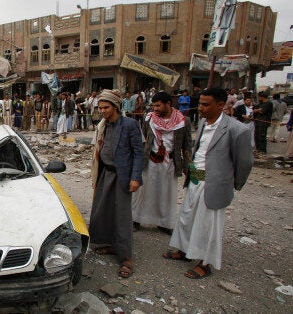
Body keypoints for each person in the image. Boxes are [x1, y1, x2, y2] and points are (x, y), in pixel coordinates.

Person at [165, 87, 253, 279]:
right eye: (200, 103)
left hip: (214, 184)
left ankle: (205, 263)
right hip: (195, 180)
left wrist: (232, 183)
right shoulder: (205, 123)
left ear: (221, 105)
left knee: (208, 225)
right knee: (187, 217)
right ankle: (183, 250)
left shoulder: (237, 129)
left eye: (206, 104)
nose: (200, 108)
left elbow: (245, 162)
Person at [89, 89, 144, 279]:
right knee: (103, 211)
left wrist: (135, 177)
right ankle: (111, 245)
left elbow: (138, 152)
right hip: (105, 174)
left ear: (116, 107)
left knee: (122, 215)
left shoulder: (130, 125)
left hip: (122, 176)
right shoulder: (103, 126)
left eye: (106, 107)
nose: (102, 111)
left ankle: (126, 257)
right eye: (100, 107)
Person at [132, 92, 192, 235]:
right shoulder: (149, 119)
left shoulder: (183, 121)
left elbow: (187, 146)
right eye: (153, 105)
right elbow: (143, 141)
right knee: (142, 192)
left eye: (158, 105)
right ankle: (136, 219)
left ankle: (164, 223)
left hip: (170, 163)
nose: (155, 109)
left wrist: (187, 168)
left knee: (166, 194)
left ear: (168, 104)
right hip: (150, 161)